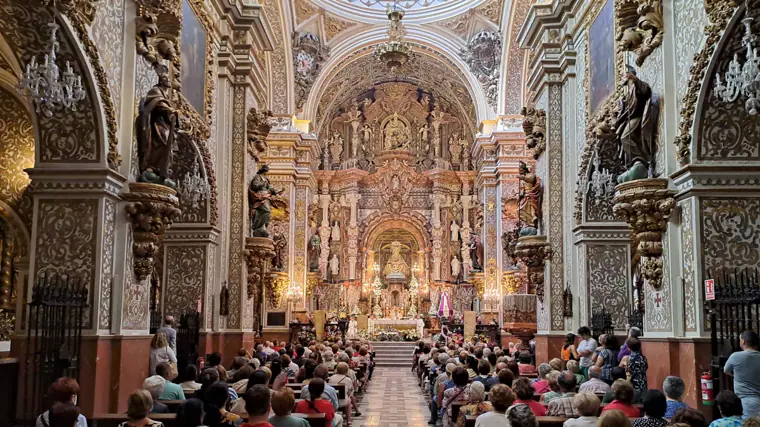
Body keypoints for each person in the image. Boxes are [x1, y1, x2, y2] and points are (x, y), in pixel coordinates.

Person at [725, 330, 760, 418]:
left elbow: (726, 370)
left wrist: (736, 374)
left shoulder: (735, 356)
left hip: (744, 400)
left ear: (743, 341)